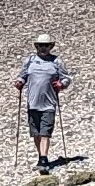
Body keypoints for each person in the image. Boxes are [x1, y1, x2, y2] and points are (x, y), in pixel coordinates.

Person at [15, 36, 71, 169]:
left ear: (51, 46)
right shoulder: (29, 61)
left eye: (46, 45)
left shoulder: (56, 61)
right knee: (36, 133)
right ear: (37, 46)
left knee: (45, 132)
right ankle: (41, 157)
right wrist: (20, 82)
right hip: (32, 103)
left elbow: (66, 78)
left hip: (49, 103)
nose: (43, 48)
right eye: (40, 45)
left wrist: (61, 84)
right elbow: (22, 75)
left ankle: (44, 159)